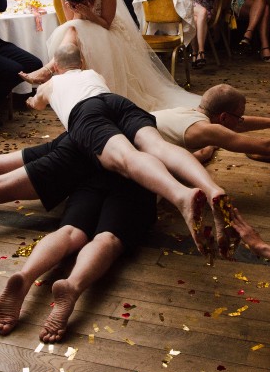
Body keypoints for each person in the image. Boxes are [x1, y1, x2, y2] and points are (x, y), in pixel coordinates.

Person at [25, 41, 229, 257]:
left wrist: (32, 99)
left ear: (56, 66)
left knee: (127, 158)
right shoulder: (93, 74)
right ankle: (212, 189)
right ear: (82, 62)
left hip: (86, 112)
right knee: (159, 146)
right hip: (117, 103)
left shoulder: (51, 83)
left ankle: (181, 196)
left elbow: (38, 104)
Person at [0, 168, 155, 343]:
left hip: (92, 175)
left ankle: (26, 275)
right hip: (136, 183)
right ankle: (72, 285)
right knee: (107, 238)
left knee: (69, 231)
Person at [25, 0, 199, 113]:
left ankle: (49, 69)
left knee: (72, 30)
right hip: (80, 29)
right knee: (71, 29)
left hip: (106, 29)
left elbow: (107, 24)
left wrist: (89, 13)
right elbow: (71, 21)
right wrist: (77, 11)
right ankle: (63, 84)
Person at [152, 83, 270, 182]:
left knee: (204, 151)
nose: (241, 119)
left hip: (149, 147)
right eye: (239, 115)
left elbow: (238, 124)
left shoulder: (191, 112)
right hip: (141, 167)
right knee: (202, 154)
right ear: (223, 117)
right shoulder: (203, 129)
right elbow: (266, 146)